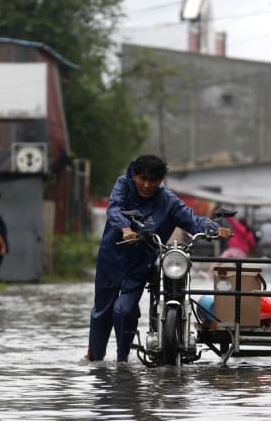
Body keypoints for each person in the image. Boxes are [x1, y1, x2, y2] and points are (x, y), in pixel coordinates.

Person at [86, 154, 231, 362]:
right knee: (102, 311)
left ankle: (122, 360)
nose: (146, 185)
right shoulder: (123, 185)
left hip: (140, 262)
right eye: (142, 179)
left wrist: (215, 229)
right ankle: (95, 359)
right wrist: (125, 228)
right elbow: (114, 208)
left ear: (161, 181)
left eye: (152, 181)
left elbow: (191, 219)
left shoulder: (167, 200)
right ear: (134, 175)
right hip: (112, 257)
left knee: (124, 310)